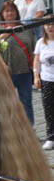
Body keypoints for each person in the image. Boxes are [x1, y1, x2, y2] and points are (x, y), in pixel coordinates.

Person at [0, 0, 35, 123]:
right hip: (6, 73)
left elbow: (33, 49)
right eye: (6, 11)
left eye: (12, 11)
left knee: (26, 102)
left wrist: (35, 70)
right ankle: (11, 129)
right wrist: (4, 34)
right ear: (2, 14)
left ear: (17, 13)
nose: (10, 13)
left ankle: (30, 128)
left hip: (24, 72)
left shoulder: (25, 28)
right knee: (7, 103)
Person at [34, 21, 54, 150]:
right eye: (48, 24)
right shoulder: (40, 42)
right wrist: (36, 76)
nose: (50, 27)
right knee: (49, 110)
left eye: (53, 24)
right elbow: (36, 60)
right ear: (44, 27)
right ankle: (51, 137)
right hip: (47, 80)